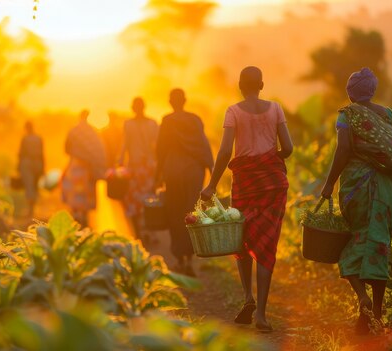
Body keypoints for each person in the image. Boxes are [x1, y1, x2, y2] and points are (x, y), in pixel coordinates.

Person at [201, 66, 293, 332]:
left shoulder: (234, 111)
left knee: (241, 239)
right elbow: (287, 148)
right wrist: (269, 159)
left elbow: (224, 152)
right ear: (261, 84)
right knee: (266, 246)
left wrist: (211, 185)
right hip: (273, 185)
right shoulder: (275, 108)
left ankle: (247, 298)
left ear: (240, 86)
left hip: (245, 184)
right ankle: (262, 315)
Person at [320, 67, 392, 335]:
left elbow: (343, 149)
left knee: (352, 243)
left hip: (359, 188)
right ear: (373, 90)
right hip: (388, 189)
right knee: (379, 246)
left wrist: (329, 183)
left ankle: (362, 299)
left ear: (350, 92)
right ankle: (376, 313)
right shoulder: (389, 114)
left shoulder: (346, 115)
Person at [156, 88, 213, 276]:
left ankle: (180, 259)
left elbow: (161, 150)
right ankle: (189, 258)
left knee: (175, 213)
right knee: (191, 212)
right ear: (185, 100)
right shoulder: (195, 119)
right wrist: (211, 169)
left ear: (170, 102)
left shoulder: (167, 120)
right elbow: (204, 144)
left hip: (172, 170)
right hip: (193, 172)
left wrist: (156, 176)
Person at [118, 97, 159, 242]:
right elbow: (157, 146)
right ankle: (149, 233)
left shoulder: (128, 124)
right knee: (148, 199)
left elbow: (125, 144)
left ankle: (138, 234)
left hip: (135, 167)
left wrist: (120, 161)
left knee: (134, 200)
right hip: (148, 167)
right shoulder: (152, 123)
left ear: (133, 108)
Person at [62, 109, 106, 227]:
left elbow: (66, 149)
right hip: (88, 169)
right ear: (87, 117)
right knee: (86, 193)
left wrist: (76, 154)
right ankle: (84, 219)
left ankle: (77, 217)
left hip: (76, 166)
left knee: (75, 192)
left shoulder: (73, 131)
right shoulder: (93, 132)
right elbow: (99, 151)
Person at [18, 120, 45, 218]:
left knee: (29, 186)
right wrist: (43, 167)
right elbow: (42, 153)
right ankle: (32, 208)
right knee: (35, 185)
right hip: (37, 163)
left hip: (27, 163)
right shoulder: (39, 138)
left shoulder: (25, 139)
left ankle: (31, 210)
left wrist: (18, 167)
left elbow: (21, 153)